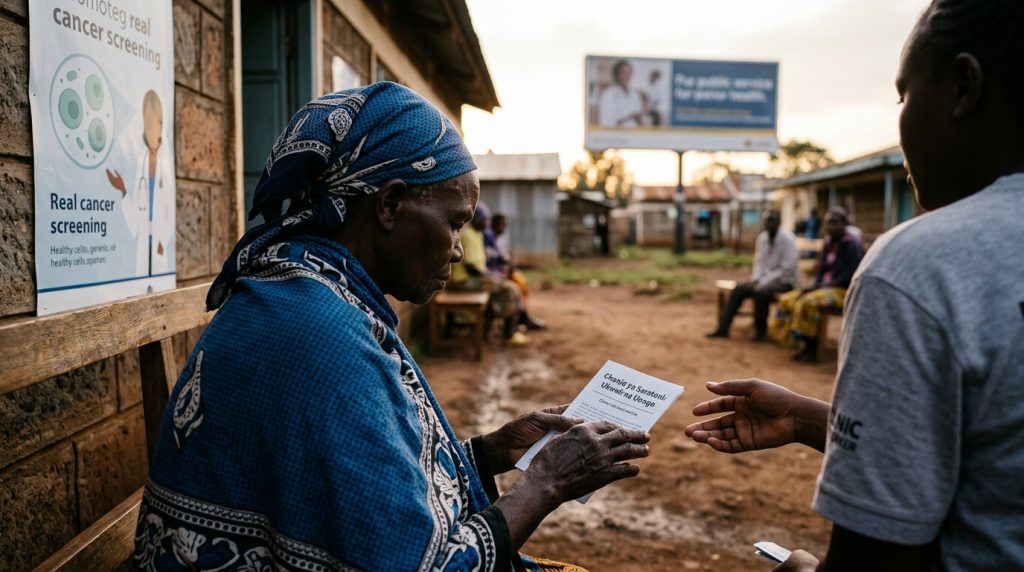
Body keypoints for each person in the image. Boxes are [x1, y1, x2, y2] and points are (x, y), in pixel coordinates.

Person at [133, 83, 652, 571]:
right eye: (454, 223)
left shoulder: (302, 293)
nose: (455, 247)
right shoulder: (319, 334)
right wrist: (545, 483)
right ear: (390, 204)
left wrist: (492, 452)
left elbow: (354, 479)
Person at [687, 0, 1024, 568]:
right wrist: (804, 419)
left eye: (903, 95)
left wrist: (800, 567)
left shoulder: (921, 266)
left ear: (963, 87)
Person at [769, 207, 862, 361]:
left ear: (844, 224)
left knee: (808, 302)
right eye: (828, 223)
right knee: (788, 299)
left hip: (842, 290)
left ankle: (812, 348)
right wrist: (814, 285)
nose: (830, 227)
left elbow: (849, 276)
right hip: (823, 287)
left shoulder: (851, 245)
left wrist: (820, 286)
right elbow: (821, 271)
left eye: (835, 222)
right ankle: (797, 341)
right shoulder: (828, 242)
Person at [106, 90, 174, 277]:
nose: (150, 129)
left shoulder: (165, 164)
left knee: (160, 284)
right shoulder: (142, 162)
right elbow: (136, 215)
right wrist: (123, 190)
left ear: (161, 125)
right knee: (142, 280)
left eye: (154, 123)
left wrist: (163, 241)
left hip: (159, 242)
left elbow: (170, 211)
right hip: (143, 241)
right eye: (147, 123)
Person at [706, 209, 798, 342]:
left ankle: (760, 331)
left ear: (779, 222)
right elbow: (759, 263)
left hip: (784, 281)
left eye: (772, 221)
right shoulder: (762, 238)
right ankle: (723, 328)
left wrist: (764, 281)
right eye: (767, 221)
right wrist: (757, 279)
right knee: (739, 289)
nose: (769, 224)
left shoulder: (788, 240)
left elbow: (786, 268)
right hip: (762, 278)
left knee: (761, 292)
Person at [450, 202, 532, 344]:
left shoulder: (478, 235)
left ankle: (492, 328)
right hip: (464, 281)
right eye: (484, 219)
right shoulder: (468, 235)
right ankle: (509, 334)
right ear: (476, 219)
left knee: (507, 287)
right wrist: (490, 276)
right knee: (510, 289)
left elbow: (481, 266)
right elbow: (471, 268)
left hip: (474, 279)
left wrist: (492, 276)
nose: (487, 223)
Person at [486, 213, 546, 331]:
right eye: (502, 224)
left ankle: (523, 316)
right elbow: (492, 260)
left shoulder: (499, 238)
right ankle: (517, 321)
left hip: (501, 272)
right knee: (516, 287)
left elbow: (503, 257)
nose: (504, 227)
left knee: (522, 282)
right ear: (494, 224)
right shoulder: (488, 237)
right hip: (494, 273)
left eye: (505, 225)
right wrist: (506, 266)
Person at [597, 60, 646, 128]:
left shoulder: (635, 94)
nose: (626, 76)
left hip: (635, 134)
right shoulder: (608, 94)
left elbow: (639, 117)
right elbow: (606, 121)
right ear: (617, 74)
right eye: (623, 73)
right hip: (617, 135)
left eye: (629, 73)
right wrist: (628, 117)